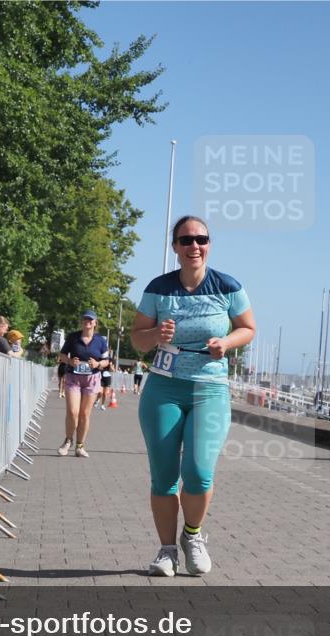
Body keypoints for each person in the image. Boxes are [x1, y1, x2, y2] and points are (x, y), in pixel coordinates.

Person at [131, 216, 256, 577]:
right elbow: (137, 339)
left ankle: (193, 535)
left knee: (199, 472)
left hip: (209, 389)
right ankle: (167, 551)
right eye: (186, 241)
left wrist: (226, 343)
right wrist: (156, 334)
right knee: (164, 476)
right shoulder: (159, 288)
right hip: (164, 388)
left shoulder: (227, 286)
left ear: (209, 244)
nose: (194, 246)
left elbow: (248, 328)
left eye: (201, 239)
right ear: (175, 248)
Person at [57, 310, 109, 458]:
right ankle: (68, 441)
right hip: (73, 378)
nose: (87, 322)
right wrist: (69, 361)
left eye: (90, 320)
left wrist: (98, 364)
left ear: (95, 323)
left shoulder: (100, 340)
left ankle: (80, 446)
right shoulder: (73, 337)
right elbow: (61, 355)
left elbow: (107, 361)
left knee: (85, 414)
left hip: (91, 379)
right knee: (73, 412)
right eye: (85, 319)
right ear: (81, 322)